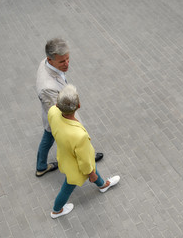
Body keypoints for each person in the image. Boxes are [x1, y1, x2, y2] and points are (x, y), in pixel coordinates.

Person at [48, 84, 120, 218]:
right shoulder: (79, 136)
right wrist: (91, 174)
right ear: (79, 106)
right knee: (68, 187)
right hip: (76, 167)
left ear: (57, 105)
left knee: (92, 166)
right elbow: (85, 163)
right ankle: (56, 210)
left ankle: (103, 185)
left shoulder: (52, 111)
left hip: (64, 156)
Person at [35, 37, 103, 177]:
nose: (67, 64)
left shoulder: (45, 63)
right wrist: (75, 124)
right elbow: (59, 111)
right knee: (69, 138)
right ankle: (87, 158)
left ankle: (41, 166)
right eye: (62, 61)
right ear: (50, 59)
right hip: (58, 115)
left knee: (47, 137)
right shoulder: (47, 87)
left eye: (67, 59)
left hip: (53, 110)